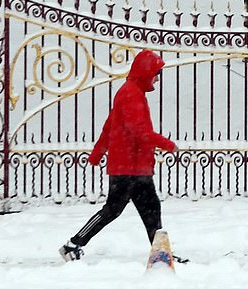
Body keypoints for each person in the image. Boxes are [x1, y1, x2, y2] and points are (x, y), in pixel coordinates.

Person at [59, 49, 178, 262]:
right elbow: (140, 133)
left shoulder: (130, 92)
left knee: (149, 208)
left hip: (133, 167)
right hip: (129, 168)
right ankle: (74, 243)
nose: (158, 79)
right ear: (146, 73)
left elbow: (109, 126)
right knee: (114, 210)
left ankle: (160, 255)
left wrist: (98, 153)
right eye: (156, 74)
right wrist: (167, 144)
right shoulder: (131, 95)